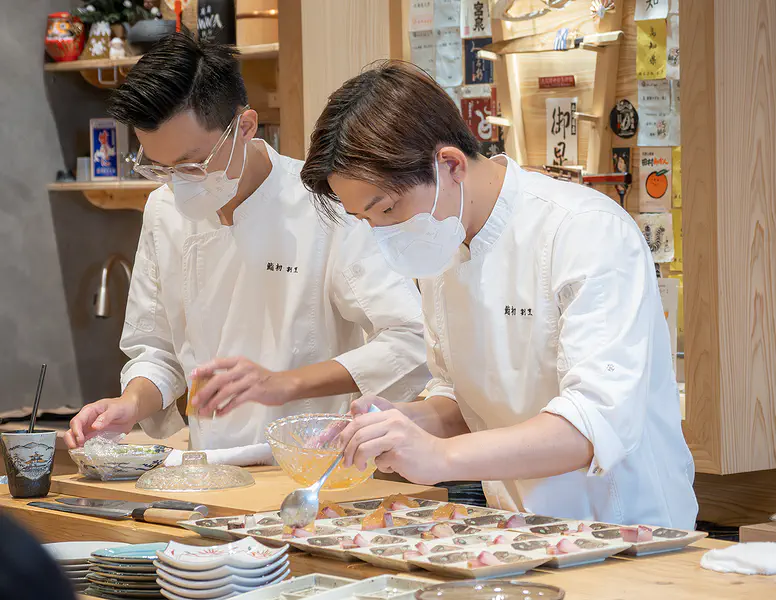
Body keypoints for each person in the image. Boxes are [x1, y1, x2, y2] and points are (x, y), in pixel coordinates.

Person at [299, 61, 698, 528]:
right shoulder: (443, 245)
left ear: (450, 165)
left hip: (629, 533)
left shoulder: (585, 231)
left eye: (387, 210)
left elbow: (591, 426)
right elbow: (462, 401)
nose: (383, 235)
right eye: (367, 221)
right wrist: (403, 423)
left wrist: (439, 457)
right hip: (519, 531)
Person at [64, 36, 430, 450]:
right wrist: (130, 404)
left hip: (308, 462)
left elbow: (409, 339)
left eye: (192, 165)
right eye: (161, 168)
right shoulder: (163, 210)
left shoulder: (325, 204)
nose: (179, 184)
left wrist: (283, 383)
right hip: (209, 465)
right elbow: (157, 351)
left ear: (245, 127)